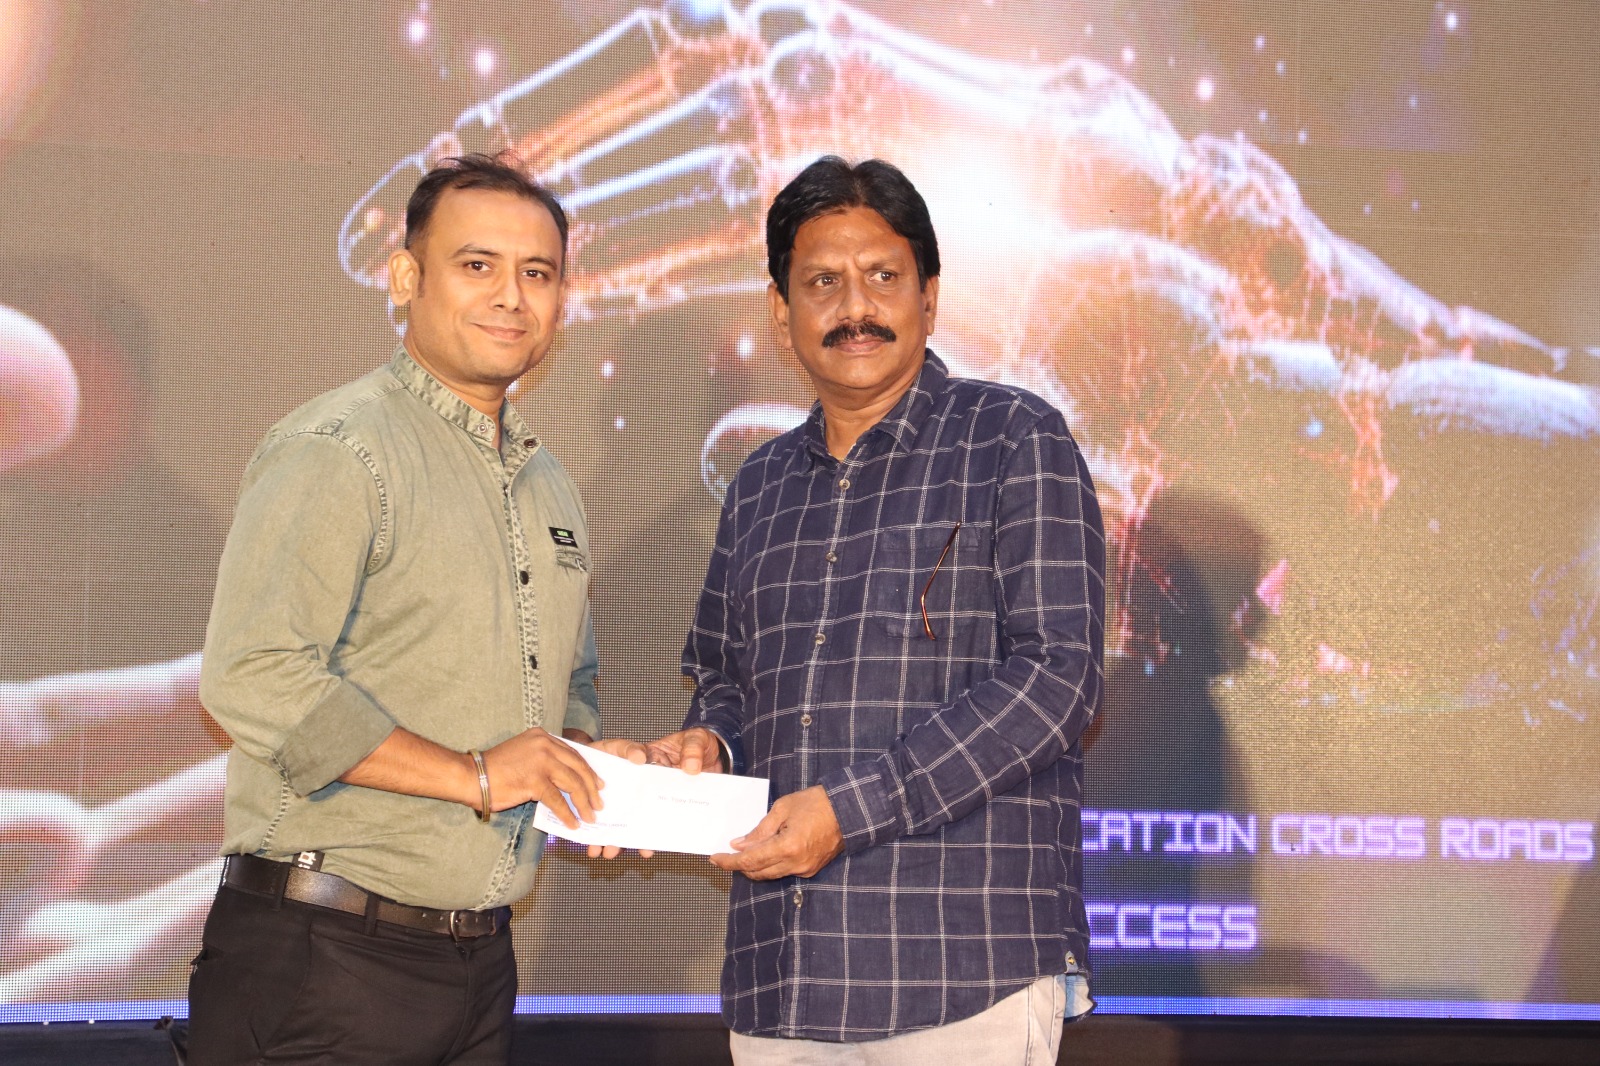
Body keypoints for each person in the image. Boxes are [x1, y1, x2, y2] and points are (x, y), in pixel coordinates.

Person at [647, 156, 1107, 1063]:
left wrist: (849, 811)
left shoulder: (1014, 438)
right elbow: (727, 680)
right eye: (822, 282)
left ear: (928, 296)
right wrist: (708, 749)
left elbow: (1058, 680)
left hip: (961, 975)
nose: (854, 307)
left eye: (883, 277)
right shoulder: (758, 485)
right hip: (781, 974)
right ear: (781, 311)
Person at [187, 152, 635, 1064]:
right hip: (324, 956)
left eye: (538, 273)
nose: (511, 296)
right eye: (477, 265)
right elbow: (253, 676)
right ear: (404, 278)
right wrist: (476, 775)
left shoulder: (550, 486)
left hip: (480, 966)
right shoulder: (340, 447)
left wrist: (588, 766)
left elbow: (568, 689)